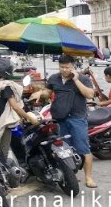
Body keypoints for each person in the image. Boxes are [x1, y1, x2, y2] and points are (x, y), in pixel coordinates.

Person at [47, 55, 96, 188]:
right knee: (62, 150)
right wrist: (40, 94)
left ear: (73, 66)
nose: (64, 70)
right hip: (60, 119)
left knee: (83, 148)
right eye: (62, 67)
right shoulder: (54, 78)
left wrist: (76, 80)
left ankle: (89, 177)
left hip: (77, 118)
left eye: (67, 67)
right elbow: (48, 92)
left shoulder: (83, 78)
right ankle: (70, 176)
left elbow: (90, 95)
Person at [0, 57, 38, 161]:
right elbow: (15, 106)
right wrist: (29, 117)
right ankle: (2, 172)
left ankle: (1, 170)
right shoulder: (6, 86)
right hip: (4, 121)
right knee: (3, 150)